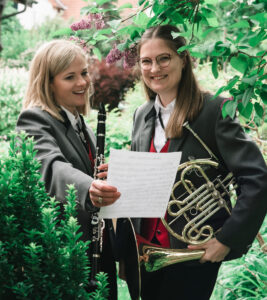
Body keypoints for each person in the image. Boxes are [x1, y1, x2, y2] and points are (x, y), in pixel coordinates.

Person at [116, 25, 267, 300]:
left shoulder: (214, 111)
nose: (154, 69)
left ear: (182, 59)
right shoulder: (142, 115)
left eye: (164, 58)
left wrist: (226, 239)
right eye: (146, 61)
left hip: (192, 254)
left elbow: (257, 179)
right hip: (146, 252)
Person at [16, 39, 121, 300]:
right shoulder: (34, 119)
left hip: (95, 253)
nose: (83, 83)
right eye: (70, 77)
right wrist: (90, 188)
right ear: (48, 82)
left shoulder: (80, 123)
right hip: (67, 255)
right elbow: (51, 167)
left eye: (84, 73)